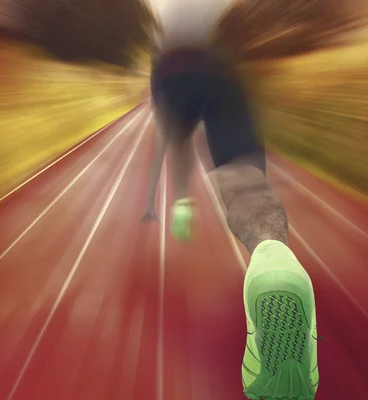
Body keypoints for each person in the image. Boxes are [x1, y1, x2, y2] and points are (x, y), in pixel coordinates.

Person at [142, 0, 320, 399]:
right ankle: (274, 259)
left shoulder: (162, 61)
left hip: (171, 74)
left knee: (180, 140)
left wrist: (181, 200)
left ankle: (270, 277)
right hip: (217, 72)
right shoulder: (215, 46)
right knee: (246, 187)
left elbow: (176, 141)